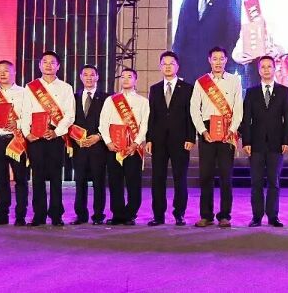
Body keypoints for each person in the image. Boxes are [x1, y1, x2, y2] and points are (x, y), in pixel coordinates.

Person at [20, 51, 75, 227]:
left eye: (52, 62)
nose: (48, 65)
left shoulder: (66, 88)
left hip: (55, 136)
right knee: (37, 177)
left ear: (58, 66)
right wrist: (27, 133)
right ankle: (39, 215)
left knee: (56, 177)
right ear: (39, 65)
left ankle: (56, 215)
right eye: (45, 62)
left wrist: (57, 132)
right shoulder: (31, 87)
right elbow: (25, 112)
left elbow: (69, 115)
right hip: (35, 136)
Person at [190, 46, 243, 228]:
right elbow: (194, 109)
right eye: (215, 59)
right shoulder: (201, 82)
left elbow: (238, 109)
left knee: (226, 176)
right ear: (209, 60)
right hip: (207, 131)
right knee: (206, 175)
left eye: (221, 59)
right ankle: (206, 215)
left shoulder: (234, 81)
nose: (218, 62)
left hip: (227, 131)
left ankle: (225, 215)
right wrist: (202, 131)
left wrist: (232, 129)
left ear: (226, 60)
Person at [240, 56, 288, 227]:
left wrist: (286, 141)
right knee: (255, 182)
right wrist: (246, 141)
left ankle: (273, 216)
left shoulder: (284, 91)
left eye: (269, 66)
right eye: (262, 67)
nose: (266, 70)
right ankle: (256, 216)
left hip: (276, 144)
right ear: (258, 70)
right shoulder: (251, 92)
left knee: (273, 182)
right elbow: (246, 119)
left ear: (274, 68)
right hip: (255, 144)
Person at [146, 51, 196, 226]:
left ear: (177, 66)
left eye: (171, 63)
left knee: (179, 178)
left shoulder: (188, 88)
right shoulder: (154, 89)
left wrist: (191, 137)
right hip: (158, 140)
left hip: (180, 140)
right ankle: (158, 215)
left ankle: (179, 213)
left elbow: (191, 115)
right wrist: (149, 139)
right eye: (164, 64)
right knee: (157, 178)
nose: (168, 67)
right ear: (160, 67)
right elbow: (151, 116)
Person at [99, 68, 149, 226]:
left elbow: (144, 125)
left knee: (133, 182)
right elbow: (103, 123)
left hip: (133, 148)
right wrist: (108, 142)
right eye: (123, 76)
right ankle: (118, 214)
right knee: (115, 181)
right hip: (114, 147)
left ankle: (131, 214)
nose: (126, 79)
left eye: (130, 77)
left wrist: (136, 143)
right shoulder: (111, 100)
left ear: (135, 80)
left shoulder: (143, 101)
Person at [0, 60, 29, 226]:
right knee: (1, 180)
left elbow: (28, 116)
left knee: (20, 179)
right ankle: (2, 214)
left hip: (16, 139)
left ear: (14, 72)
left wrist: (18, 123)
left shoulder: (24, 93)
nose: (2, 74)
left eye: (6, 71)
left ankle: (20, 215)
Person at [71, 65, 109, 225]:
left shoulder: (107, 98)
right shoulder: (73, 97)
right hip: (79, 147)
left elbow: (110, 122)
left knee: (99, 183)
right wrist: (75, 137)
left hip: (98, 147)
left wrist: (99, 137)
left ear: (97, 77)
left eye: (92, 75)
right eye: (85, 74)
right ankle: (81, 215)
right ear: (80, 77)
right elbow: (68, 120)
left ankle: (98, 215)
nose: (89, 77)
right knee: (80, 183)